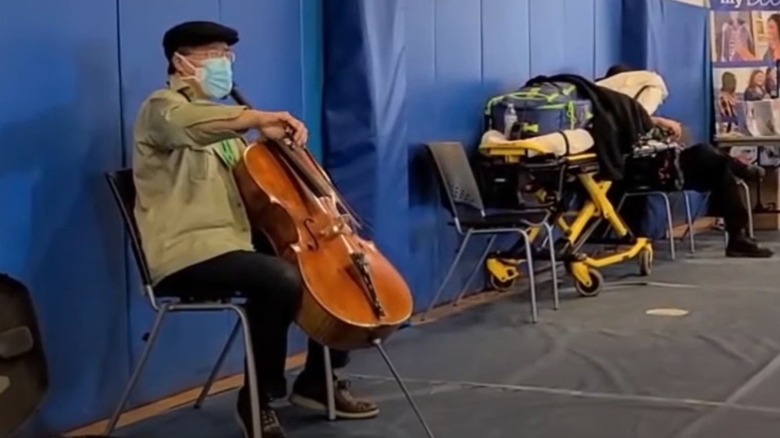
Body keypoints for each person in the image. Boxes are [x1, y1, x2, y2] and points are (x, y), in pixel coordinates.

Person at [132, 21, 379, 438]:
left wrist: (278, 150)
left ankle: (319, 380)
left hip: (237, 245)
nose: (225, 64)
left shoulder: (233, 136)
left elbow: (260, 191)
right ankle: (257, 399)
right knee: (278, 279)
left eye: (229, 56)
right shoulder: (161, 108)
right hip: (188, 253)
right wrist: (256, 118)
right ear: (181, 61)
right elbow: (189, 125)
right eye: (214, 55)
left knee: (329, 270)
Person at [604, 65, 773, 258]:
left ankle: (737, 235)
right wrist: (658, 121)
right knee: (708, 155)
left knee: (718, 168)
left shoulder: (640, 112)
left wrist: (665, 132)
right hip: (647, 172)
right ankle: (741, 180)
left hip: (664, 164)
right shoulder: (610, 116)